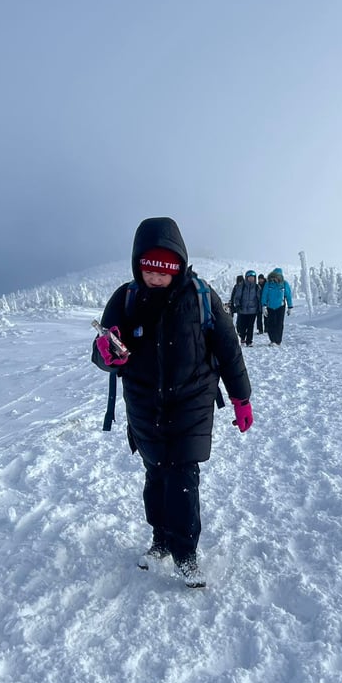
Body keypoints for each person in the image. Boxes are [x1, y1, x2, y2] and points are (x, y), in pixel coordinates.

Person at [92, 217, 253, 588]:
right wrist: (106, 354)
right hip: (144, 407)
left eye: (166, 269)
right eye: (150, 268)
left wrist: (241, 397)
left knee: (182, 479)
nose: (158, 278)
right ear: (139, 265)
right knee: (155, 478)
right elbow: (101, 352)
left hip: (191, 405)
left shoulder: (201, 296)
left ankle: (186, 554)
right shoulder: (125, 299)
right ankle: (161, 541)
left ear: (179, 264)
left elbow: (229, 350)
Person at [262, 266, 293, 345]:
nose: (275, 278)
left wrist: (290, 307)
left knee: (279, 324)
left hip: (280, 307)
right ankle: (272, 340)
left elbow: (288, 295)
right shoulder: (268, 284)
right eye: (274, 276)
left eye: (277, 276)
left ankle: (278, 340)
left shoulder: (284, 284)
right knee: (270, 324)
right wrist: (264, 306)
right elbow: (264, 295)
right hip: (270, 307)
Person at [234, 270, 261, 346]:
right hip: (243, 310)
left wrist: (260, 309)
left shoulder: (256, 287)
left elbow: (259, 299)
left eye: (253, 277)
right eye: (250, 277)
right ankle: (242, 338)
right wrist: (238, 305)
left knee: (250, 326)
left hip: (253, 310)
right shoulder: (242, 286)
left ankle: (249, 341)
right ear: (246, 278)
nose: (251, 279)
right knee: (242, 325)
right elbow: (237, 297)